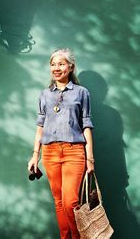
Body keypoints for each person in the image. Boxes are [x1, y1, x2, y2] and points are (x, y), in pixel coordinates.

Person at [28, 48, 95, 239]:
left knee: (70, 202)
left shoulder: (82, 93)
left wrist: (90, 158)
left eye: (61, 64)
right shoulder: (45, 95)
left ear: (71, 67)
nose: (56, 68)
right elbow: (40, 126)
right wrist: (35, 155)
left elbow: (87, 125)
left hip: (74, 152)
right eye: (53, 64)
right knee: (58, 201)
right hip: (50, 152)